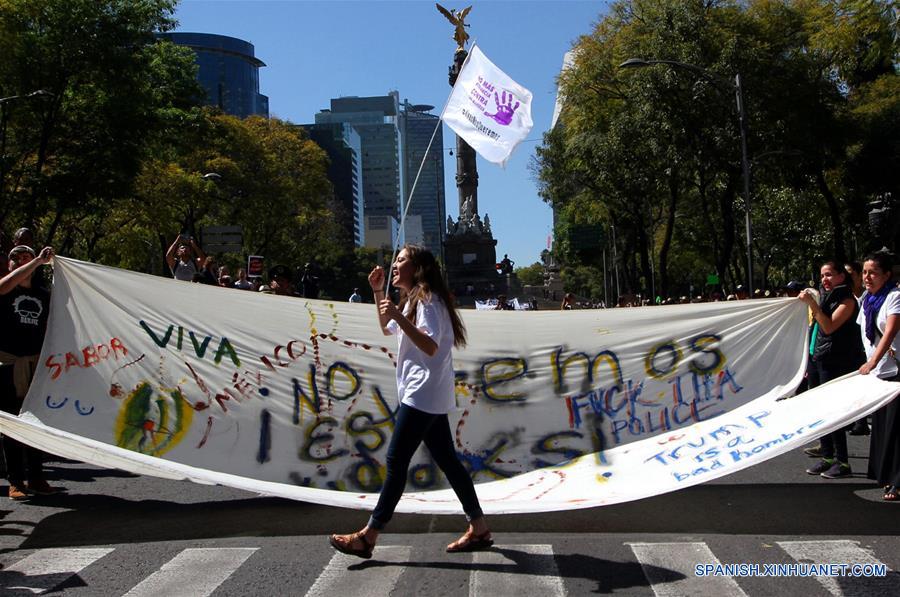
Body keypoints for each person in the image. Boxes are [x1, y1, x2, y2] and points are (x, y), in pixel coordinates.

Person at [329, 245, 492, 559]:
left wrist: (398, 318)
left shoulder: (428, 300)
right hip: (423, 392)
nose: (394, 265)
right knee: (447, 461)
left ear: (417, 268)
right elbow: (385, 326)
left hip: (422, 392)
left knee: (395, 462)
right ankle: (480, 527)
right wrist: (377, 292)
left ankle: (369, 535)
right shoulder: (414, 300)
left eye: (400, 260)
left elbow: (430, 346)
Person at [0, 245, 64, 499]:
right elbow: (4, 286)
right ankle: (15, 481)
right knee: (12, 423)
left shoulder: (43, 295)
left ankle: (37, 477)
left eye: (25, 256)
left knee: (37, 423)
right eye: (15, 258)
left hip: (36, 364)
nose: (20, 260)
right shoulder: (5, 288)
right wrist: (37, 261)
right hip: (8, 366)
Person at [797, 261, 865, 479]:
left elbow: (828, 326)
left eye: (829, 275)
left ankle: (842, 461)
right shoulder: (826, 297)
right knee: (819, 410)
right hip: (818, 359)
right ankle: (827, 456)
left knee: (833, 411)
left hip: (834, 361)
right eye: (822, 275)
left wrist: (813, 305)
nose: (825, 279)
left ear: (841, 277)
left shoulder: (846, 301)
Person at [856, 252, 900, 501]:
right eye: (864, 272)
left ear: (886, 275)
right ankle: (885, 475)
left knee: (897, 429)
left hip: (895, 370)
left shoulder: (895, 297)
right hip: (879, 373)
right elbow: (865, 335)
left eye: (872, 272)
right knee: (882, 426)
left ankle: (897, 482)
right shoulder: (868, 300)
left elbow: (890, 331)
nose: (867, 277)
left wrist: (872, 361)